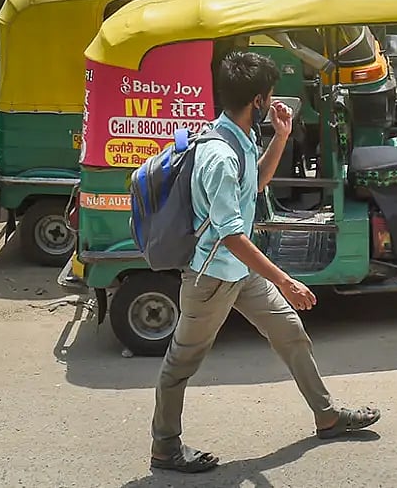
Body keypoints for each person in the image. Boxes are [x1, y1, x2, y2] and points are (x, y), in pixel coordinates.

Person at [150, 51, 380, 474]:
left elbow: (255, 184)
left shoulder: (237, 136)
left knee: (290, 333)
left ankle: (326, 416)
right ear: (257, 100)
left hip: (240, 273)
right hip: (212, 279)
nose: (274, 101)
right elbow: (230, 234)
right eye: (270, 97)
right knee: (180, 364)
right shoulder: (218, 155)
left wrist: (280, 136)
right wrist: (286, 280)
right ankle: (165, 447)